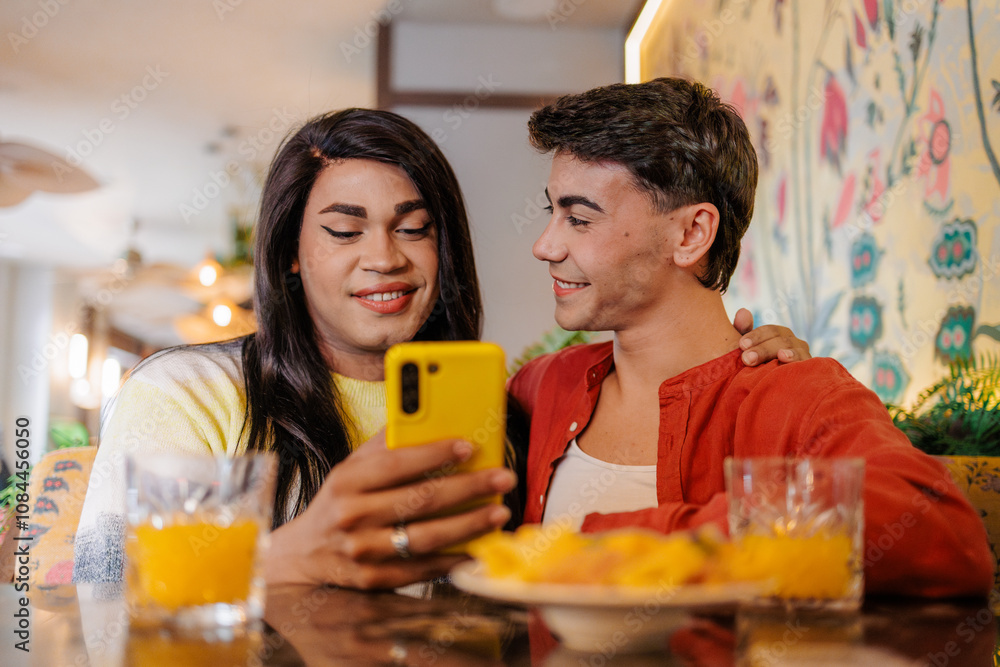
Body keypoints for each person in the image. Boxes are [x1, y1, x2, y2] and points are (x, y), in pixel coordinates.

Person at [74, 107, 807, 591]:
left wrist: (741, 356)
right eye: (344, 229)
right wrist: (289, 556)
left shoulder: (500, 407)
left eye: (414, 227)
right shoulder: (189, 392)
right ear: (290, 253)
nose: (384, 257)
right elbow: (97, 587)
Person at [508, 78, 994, 597]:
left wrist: (619, 547)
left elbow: (943, 534)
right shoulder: (543, 385)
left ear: (691, 233)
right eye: (551, 212)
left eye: (579, 219)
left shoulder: (796, 394)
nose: (544, 246)